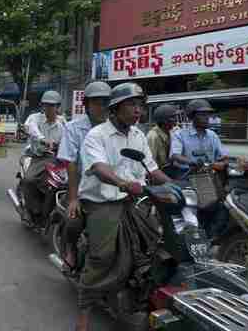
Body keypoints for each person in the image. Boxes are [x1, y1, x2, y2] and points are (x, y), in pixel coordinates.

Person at [75, 83, 172, 331]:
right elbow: (99, 168)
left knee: (154, 242)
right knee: (102, 257)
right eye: (132, 105)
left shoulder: (138, 135)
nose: (138, 110)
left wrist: (176, 186)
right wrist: (123, 183)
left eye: (140, 105)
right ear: (115, 109)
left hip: (132, 201)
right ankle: (84, 312)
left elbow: (152, 169)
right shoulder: (97, 135)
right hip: (101, 202)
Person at [57, 81, 111, 270]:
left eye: (106, 102)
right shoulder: (73, 128)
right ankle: (70, 249)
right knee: (73, 221)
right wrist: (73, 198)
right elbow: (70, 163)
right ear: (87, 105)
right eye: (97, 102)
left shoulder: (113, 128)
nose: (102, 107)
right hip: (80, 186)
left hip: (111, 187)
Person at [170, 98, 229, 239]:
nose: (207, 118)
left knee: (223, 207)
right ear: (192, 116)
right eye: (202, 115)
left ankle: (210, 238)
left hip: (208, 180)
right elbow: (175, 155)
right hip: (187, 178)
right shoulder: (180, 135)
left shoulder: (212, 136)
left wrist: (223, 163)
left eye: (208, 114)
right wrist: (191, 162)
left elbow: (223, 157)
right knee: (191, 214)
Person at [22, 90, 66, 226]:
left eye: (52, 106)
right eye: (46, 105)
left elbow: (69, 138)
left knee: (61, 184)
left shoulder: (63, 123)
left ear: (58, 107)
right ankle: (31, 211)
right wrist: (43, 140)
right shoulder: (35, 118)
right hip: (37, 156)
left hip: (57, 159)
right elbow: (31, 128)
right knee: (29, 180)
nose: (49, 108)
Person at [147, 104, 178, 170]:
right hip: (160, 171)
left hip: (173, 168)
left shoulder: (174, 131)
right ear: (164, 120)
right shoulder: (153, 136)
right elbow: (150, 161)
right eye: (173, 117)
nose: (176, 119)